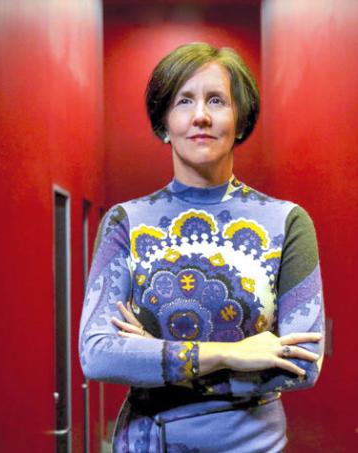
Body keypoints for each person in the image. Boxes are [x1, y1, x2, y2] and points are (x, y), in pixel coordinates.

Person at [78, 42, 324, 453]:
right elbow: (98, 354)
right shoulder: (126, 223)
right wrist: (231, 355)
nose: (201, 116)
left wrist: (154, 355)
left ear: (240, 121)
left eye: (216, 100)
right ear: (164, 123)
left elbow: (302, 364)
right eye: (184, 101)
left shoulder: (288, 223)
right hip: (148, 442)